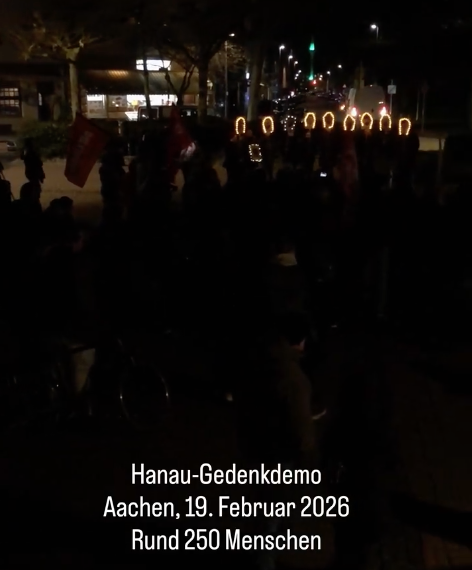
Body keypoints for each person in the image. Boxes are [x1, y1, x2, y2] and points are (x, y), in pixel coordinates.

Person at [235, 313, 317, 570]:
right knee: (270, 524)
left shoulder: (259, 360)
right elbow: (302, 434)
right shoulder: (295, 380)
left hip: (254, 449)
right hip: (278, 458)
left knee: (257, 515)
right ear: (300, 342)